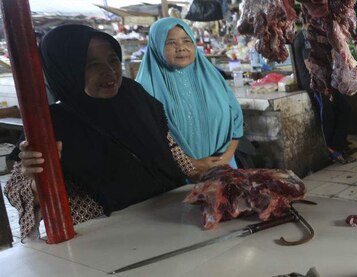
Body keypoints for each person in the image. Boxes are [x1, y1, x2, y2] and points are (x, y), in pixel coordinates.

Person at [4, 25, 193, 239]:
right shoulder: (49, 123)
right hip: (102, 237)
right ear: (65, 68)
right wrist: (39, 181)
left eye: (113, 60)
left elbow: (167, 145)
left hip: (170, 218)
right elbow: (15, 191)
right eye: (93, 64)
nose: (109, 71)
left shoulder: (134, 97)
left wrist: (203, 172)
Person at [136, 18, 244, 173]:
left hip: (225, 168)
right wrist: (190, 165)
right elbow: (147, 139)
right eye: (171, 43)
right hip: (178, 177)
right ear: (156, 46)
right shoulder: (145, 88)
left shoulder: (212, 77)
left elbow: (237, 120)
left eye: (187, 41)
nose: (181, 48)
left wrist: (226, 157)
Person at [291, 28, 355, 164]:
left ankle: (338, 144)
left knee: (345, 108)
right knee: (327, 113)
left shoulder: (316, 33)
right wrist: (325, 86)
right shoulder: (305, 35)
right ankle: (334, 150)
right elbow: (310, 65)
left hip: (326, 78)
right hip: (315, 82)